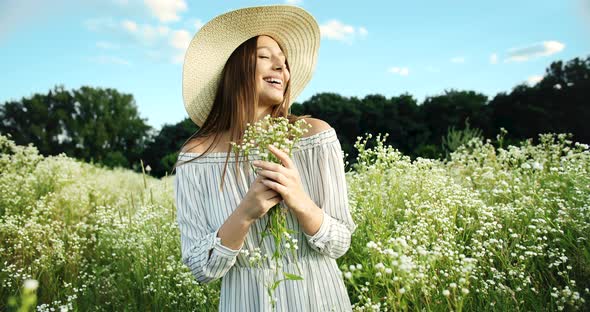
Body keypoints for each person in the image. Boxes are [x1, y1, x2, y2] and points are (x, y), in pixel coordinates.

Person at [173, 5, 357, 311]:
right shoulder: (195, 158)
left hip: (319, 298)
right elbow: (200, 269)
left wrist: (300, 201)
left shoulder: (315, 137)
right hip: (246, 302)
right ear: (235, 68)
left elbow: (339, 243)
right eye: (265, 57)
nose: (281, 68)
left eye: (284, 63)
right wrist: (244, 214)